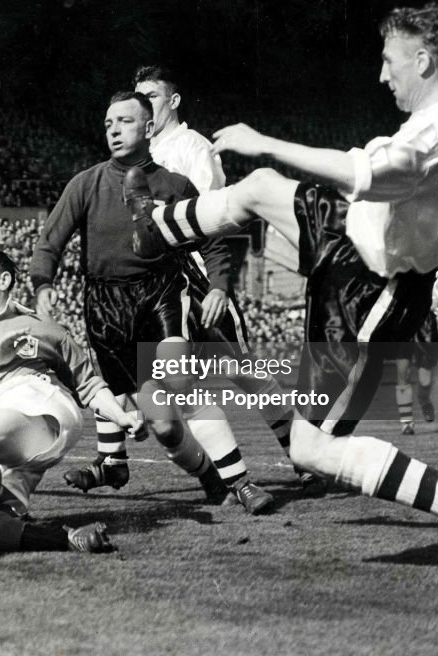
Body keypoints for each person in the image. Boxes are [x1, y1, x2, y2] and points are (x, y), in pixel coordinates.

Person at [123, 1, 438, 575]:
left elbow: (358, 174)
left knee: (310, 450)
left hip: (372, 288)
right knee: (259, 188)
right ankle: (156, 227)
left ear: (423, 61)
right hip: (346, 231)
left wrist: (264, 139)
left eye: (389, 61)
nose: (382, 74)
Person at [31, 90, 274, 514]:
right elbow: (50, 240)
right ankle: (208, 475)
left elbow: (212, 241)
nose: (113, 130)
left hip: (160, 293)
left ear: (148, 128)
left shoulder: (175, 185)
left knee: (180, 380)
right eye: (108, 124)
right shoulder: (86, 183)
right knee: (163, 426)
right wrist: (42, 284)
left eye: (124, 121)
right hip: (105, 304)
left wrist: (218, 286)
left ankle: (242, 483)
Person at [134, 64, 322, 494]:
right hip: (161, 286)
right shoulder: (138, 157)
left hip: (198, 280)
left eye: (152, 97)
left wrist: (218, 284)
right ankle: (123, 460)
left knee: (244, 373)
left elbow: (211, 216)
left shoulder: (192, 147)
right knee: (168, 382)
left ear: (173, 101)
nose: (144, 106)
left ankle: (305, 456)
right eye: (139, 99)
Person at [0, 247, 145, 561]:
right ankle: (67, 539)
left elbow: (88, 383)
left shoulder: (41, 327)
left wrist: (121, 416)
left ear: (3, 281)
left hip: (33, 405)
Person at [395, 266, 438, 434]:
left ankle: (424, 400)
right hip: (403, 320)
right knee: (403, 373)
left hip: (426, 324)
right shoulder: (400, 263)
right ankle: (406, 423)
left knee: (425, 381)